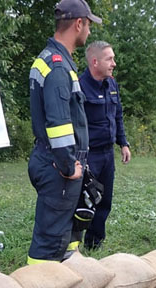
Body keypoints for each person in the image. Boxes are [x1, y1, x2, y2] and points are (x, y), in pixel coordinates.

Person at [26, 0, 102, 264]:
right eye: (89, 25)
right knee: (50, 244)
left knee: (68, 237)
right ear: (78, 24)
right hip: (59, 167)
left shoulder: (50, 60)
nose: (90, 32)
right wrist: (69, 167)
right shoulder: (59, 66)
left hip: (52, 160)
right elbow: (59, 126)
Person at [79, 41, 131, 250]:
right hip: (88, 154)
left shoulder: (111, 84)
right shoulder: (79, 86)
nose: (114, 64)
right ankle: (70, 245)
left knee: (104, 201)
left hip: (107, 154)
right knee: (83, 200)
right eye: (109, 59)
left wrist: (123, 143)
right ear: (94, 61)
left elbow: (117, 115)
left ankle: (94, 244)